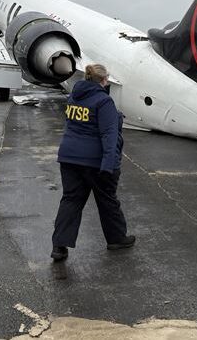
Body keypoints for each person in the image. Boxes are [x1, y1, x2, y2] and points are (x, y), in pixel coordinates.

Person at [50, 63, 134, 261]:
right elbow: (109, 135)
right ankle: (116, 238)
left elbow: (73, 125)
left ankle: (59, 246)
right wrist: (109, 165)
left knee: (71, 200)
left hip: (69, 158)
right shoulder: (104, 101)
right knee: (107, 200)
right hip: (94, 161)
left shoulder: (74, 97)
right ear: (104, 80)